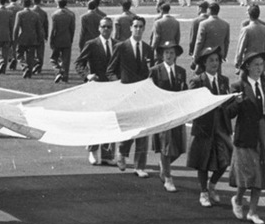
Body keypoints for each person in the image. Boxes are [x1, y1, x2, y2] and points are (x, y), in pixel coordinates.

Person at [226, 51, 265, 224]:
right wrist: (236, 102)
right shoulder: (237, 86)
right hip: (246, 135)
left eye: (261, 64)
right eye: (256, 65)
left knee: (261, 173)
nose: (259, 68)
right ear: (247, 67)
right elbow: (228, 113)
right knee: (248, 173)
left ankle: (253, 211)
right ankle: (238, 199)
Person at [186, 46, 233, 208]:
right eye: (211, 60)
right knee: (203, 161)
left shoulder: (224, 81)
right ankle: (204, 192)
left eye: (217, 60)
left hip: (221, 128)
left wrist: (235, 103)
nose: (215, 63)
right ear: (204, 63)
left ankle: (212, 185)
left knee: (227, 158)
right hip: (204, 128)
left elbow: (228, 107)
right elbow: (191, 104)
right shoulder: (197, 81)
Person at [107, 16, 154, 177]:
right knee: (129, 128)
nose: (138, 29)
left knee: (143, 130)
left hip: (142, 96)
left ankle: (140, 166)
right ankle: (121, 152)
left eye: (141, 27)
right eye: (135, 26)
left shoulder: (148, 49)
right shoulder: (121, 47)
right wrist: (119, 85)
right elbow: (110, 71)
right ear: (130, 28)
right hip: (126, 95)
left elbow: (151, 72)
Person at [74, 16, 116, 166]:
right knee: (96, 119)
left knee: (110, 120)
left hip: (112, 88)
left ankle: (107, 154)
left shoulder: (117, 45)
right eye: (104, 26)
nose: (106, 29)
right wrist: (87, 75)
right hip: (96, 87)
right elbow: (79, 63)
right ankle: (92, 150)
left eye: (109, 27)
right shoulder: (92, 44)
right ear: (99, 28)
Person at [148, 41, 187, 193]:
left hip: (176, 113)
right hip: (162, 114)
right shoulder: (155, 71)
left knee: (178, 148)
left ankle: (164, 166)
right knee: (166, 146)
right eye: (166, 53)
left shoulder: (181, 71)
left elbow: (184, 91)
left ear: (175, 55)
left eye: (172, 53)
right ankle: (168, 178)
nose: (169, 56)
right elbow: (150, 92)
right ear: (162, 55)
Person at [13, 0, 45, 79]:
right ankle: (29, 73)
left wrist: (14, 38)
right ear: (30, 4)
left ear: (23, 4)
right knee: (30, 56)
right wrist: (40, 38)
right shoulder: (36, 14)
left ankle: (25, 67)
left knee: (19, 54)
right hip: (33, 38)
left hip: (23, 37)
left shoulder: (20, 14)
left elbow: (16, 27)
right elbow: (39, 28)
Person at [193, 2, 230, 66]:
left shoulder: (204, 24)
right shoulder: (225, 24)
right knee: (217, 73)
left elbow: (199, 42)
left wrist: (195, 56)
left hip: (205, 54)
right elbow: (226, 42)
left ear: (209, 10)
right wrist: (224, 55)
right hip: (219, 54)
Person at [234, 4, 265, 69]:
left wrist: (238, 61)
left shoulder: (246, 29)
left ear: (249, 14)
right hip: (261, 61)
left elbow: (241, 47)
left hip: (249, 61)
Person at [49, 0, 76, 83]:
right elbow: (72, 29)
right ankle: (65, 77)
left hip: (57, 39)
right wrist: (71, 38)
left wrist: (51, 39)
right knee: (66, 59)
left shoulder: (55, 15)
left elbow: (53, 29)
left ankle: (58, 72)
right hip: (67, 38)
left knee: (53, 59)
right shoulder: (71, 14)